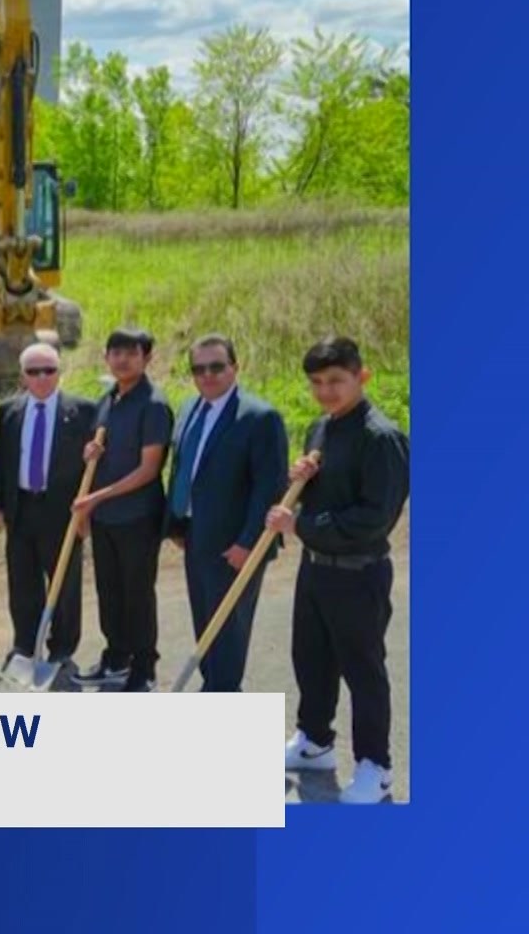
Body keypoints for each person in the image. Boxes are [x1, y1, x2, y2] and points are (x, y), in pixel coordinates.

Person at [268, 336, 409, 804]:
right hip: (315, 569)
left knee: (362, 670)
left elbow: (375, 518)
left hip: (358, 572)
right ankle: (315, 743)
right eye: (316, 382)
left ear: (361, 376)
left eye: (336, 381)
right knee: (311, 658)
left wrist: (300, 525)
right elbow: (324, 495)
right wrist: (301, 481)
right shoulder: (320, 429)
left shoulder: (381, 438)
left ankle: (376, 766)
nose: (325, 391)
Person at [163, 334, 290, 693]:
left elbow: (269, 487)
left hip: (235, 544)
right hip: (195, 535)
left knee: (228, 629)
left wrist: (249, 543)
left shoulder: (259, 417)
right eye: (198, 369)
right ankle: (214, 687)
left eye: (217, 367)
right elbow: (183, 468)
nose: (207, 375)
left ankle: (224, 693)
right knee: (205, 622)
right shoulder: (189, 408)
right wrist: (176, 523)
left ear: (235, 367)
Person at [0, 341, 97, 676]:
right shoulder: (9, 411)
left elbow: (94, 467)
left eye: (49, 370)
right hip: (21, 507)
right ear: (23, 376)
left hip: (63, 511)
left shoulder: (83, 411)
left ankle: (62, 647)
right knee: (22, 581)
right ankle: (25, 643)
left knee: (64, 583)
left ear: (59, 372)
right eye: (34, 372)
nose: (42, 377)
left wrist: (88, 512)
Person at [73, 328, 174, 692]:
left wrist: (97, 498)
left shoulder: (154, 405)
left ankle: (143, 668)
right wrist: (90, 454)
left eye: (131, 353)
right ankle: (116, 658)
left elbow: (149, 470)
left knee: (137, 593)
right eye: (115, 353)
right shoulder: (107, 399)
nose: (122, 360)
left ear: (147, 358)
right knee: (109, 589)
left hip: (137, 516)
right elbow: (101, 452)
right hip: (105, 517)